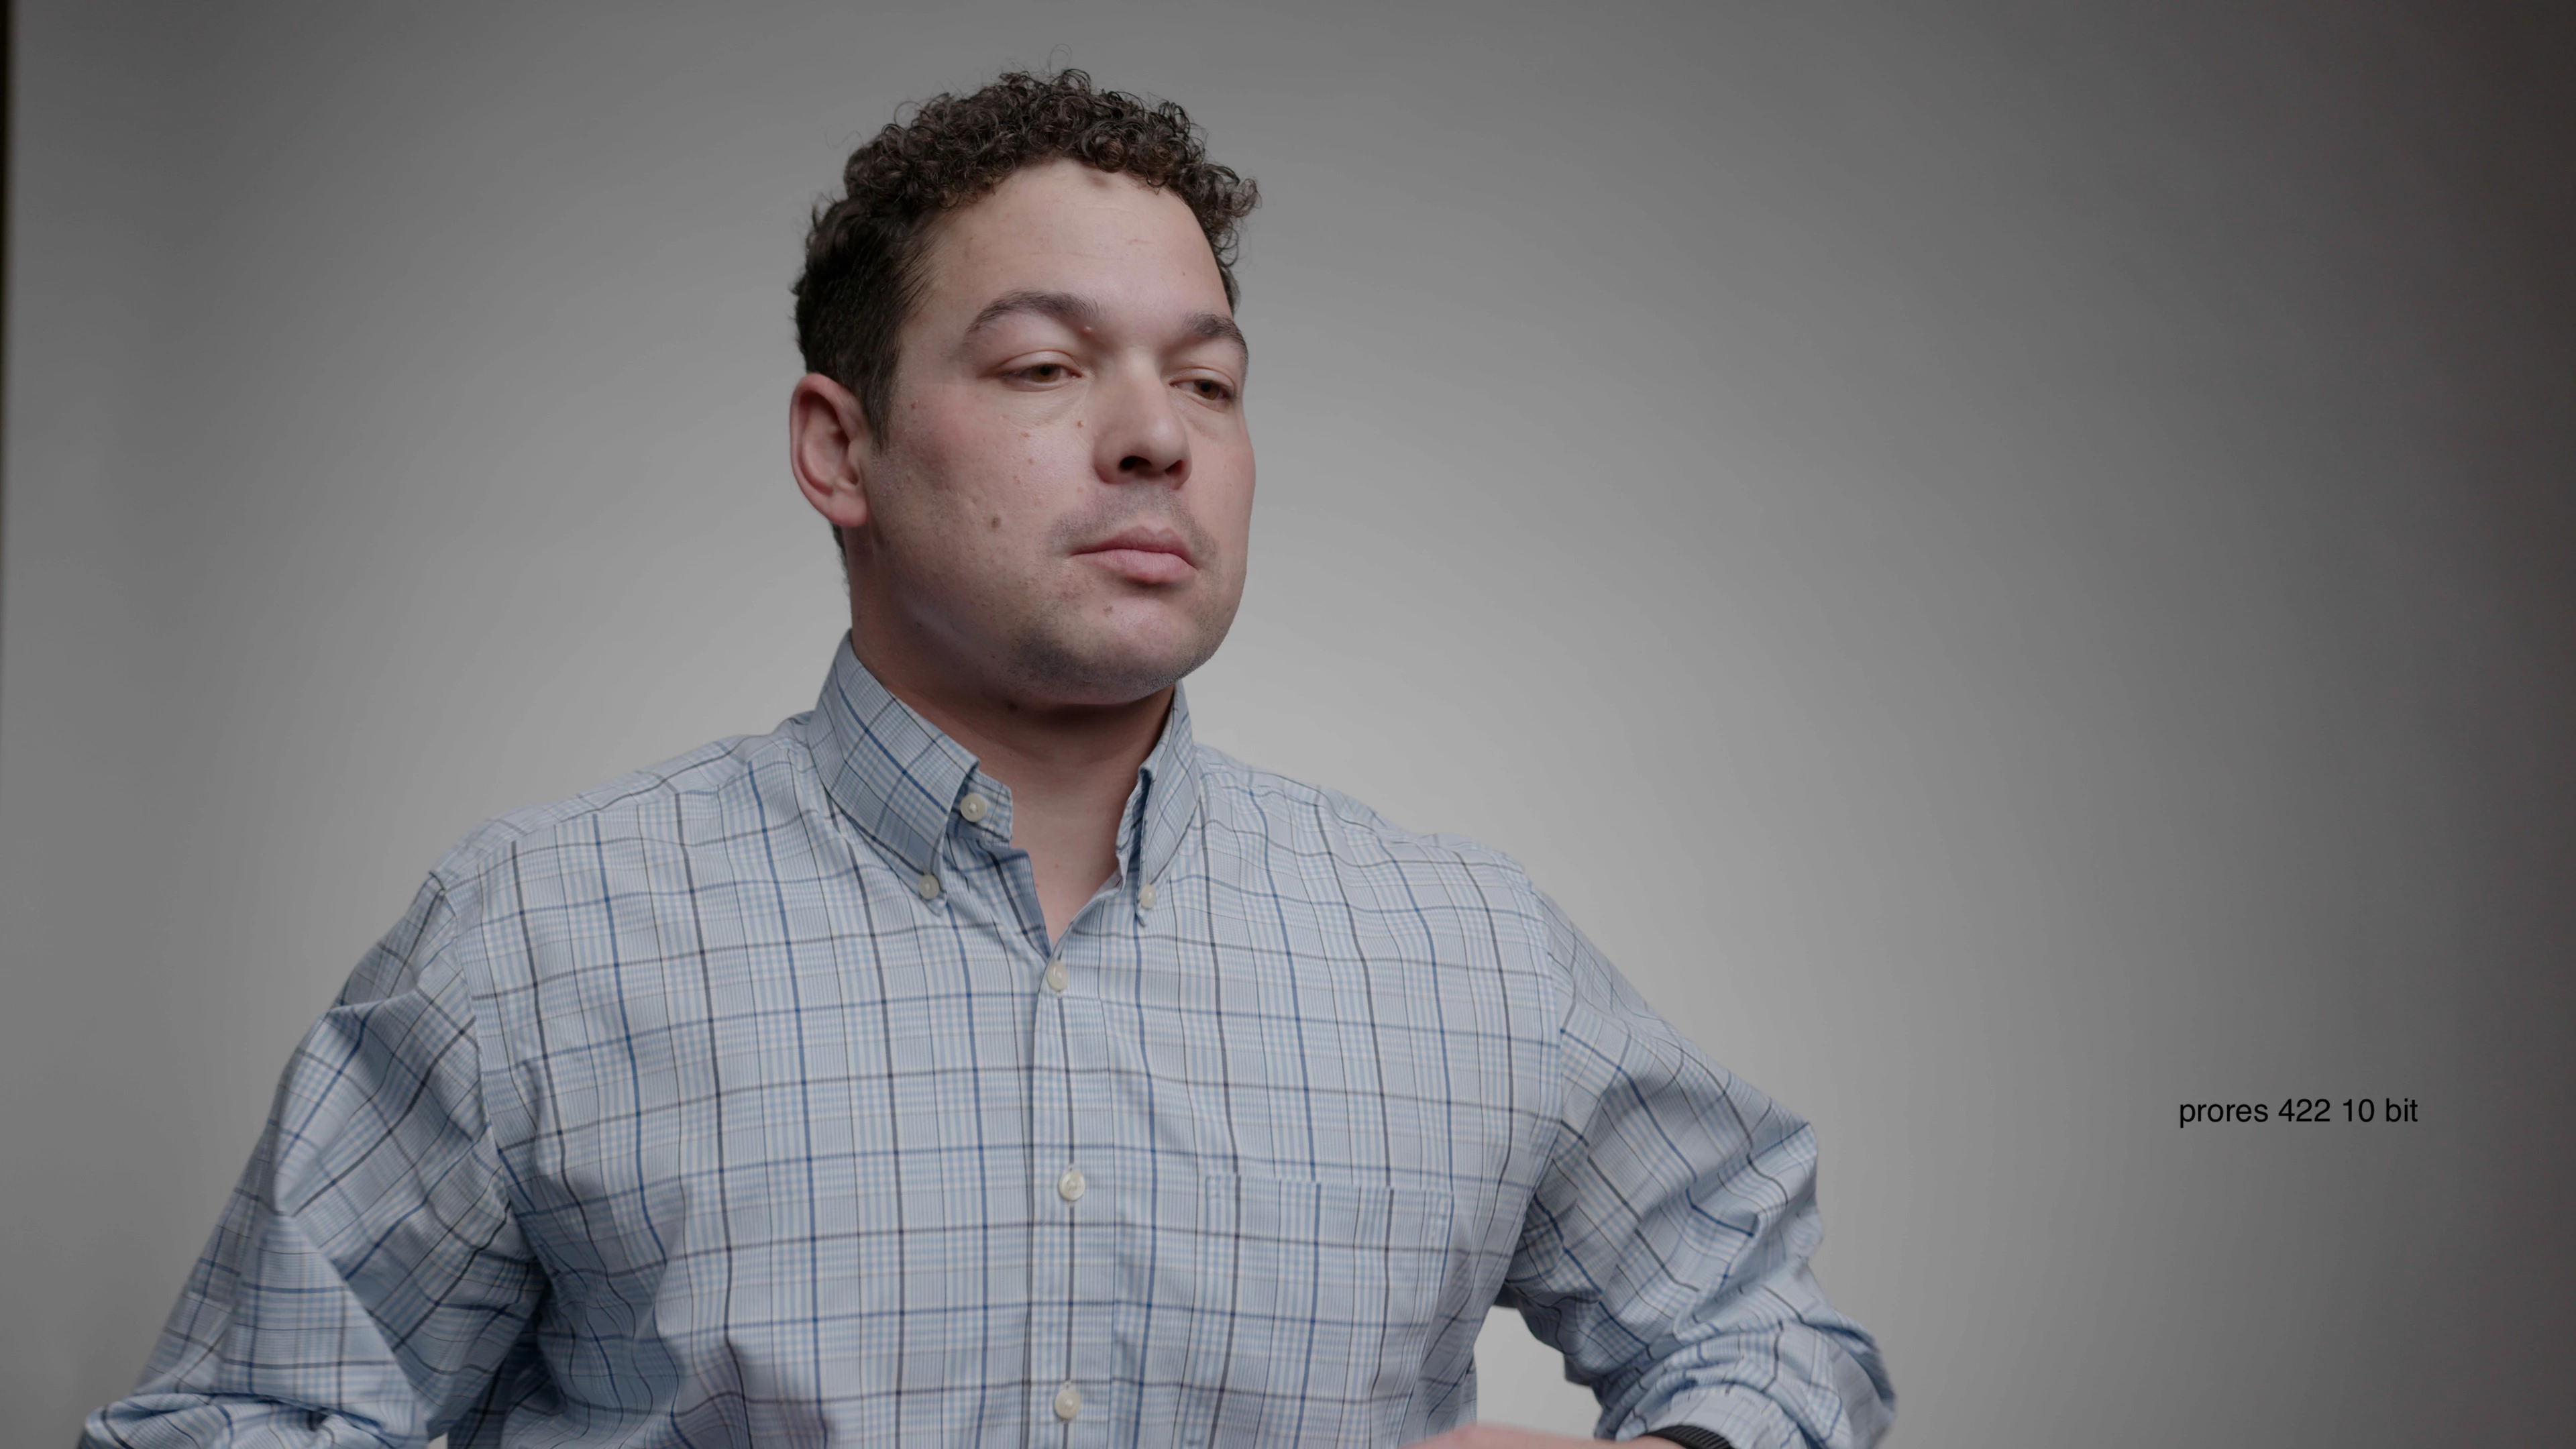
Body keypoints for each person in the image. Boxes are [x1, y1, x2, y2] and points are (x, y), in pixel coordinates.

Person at [82, 70, 1894, 1449]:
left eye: (1209, 383)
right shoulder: (537, 942)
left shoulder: (1466, 953)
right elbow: (244, 1420)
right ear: (840, 449)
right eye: (1043, 368)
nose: (1156, 440)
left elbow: (1769, 1327)